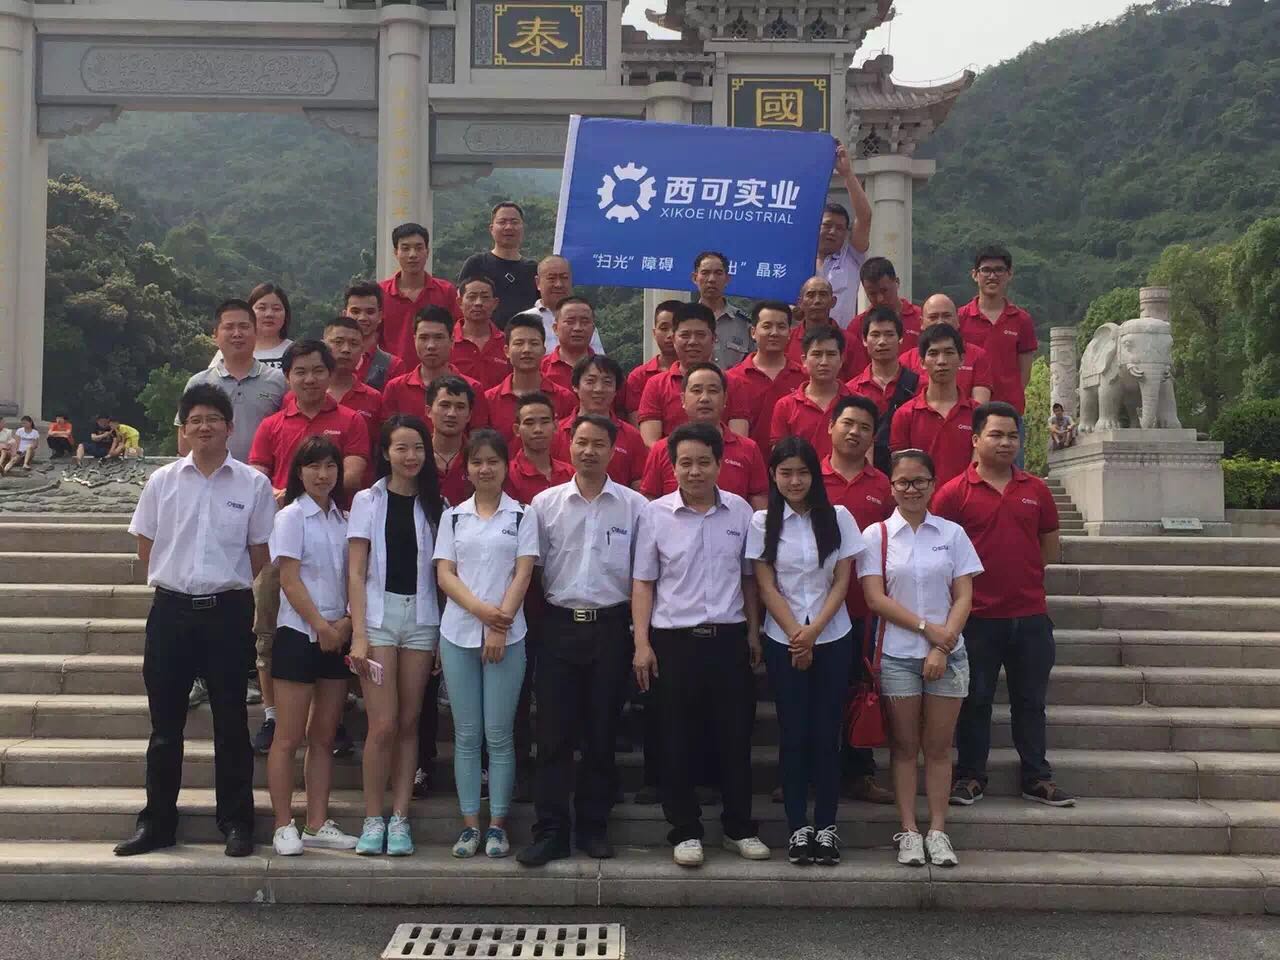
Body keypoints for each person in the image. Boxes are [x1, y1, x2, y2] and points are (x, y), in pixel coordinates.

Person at [113, 384, 275, 858]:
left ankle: (236, 822)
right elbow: (146, 546)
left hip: (228, 613)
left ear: (229, 427)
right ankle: (157, 823)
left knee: (231, 723)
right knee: (165, 726)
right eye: (195, 420)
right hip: (171, 612)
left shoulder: (252, 485)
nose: (204, 427)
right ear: (183, 430)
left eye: (213, 419)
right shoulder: (162, 481)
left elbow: (259, 553)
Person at [632, 422, 770, 868]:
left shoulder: (740, 513)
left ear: (719, 464)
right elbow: (644, 582)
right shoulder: (654, 514)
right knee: (675, 738)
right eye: (685, 463)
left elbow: (749, 580)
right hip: (673, 642)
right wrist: (641, 643)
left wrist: (753, 632)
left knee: (735, 736)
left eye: (703, 462)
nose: (694, 471)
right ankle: (685, 830)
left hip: (728, 639)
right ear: (672, 467)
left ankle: (738, 828)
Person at [516, 415, 649, 866]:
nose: (589, 451)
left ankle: (593, 827)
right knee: (553, 734)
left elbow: (642, 576)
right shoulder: (544, 504)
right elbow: (532, 570)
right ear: (568, 445)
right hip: (558, 626)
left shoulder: (634, 507)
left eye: (598, 444)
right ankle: (551, 831)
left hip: (611, 628)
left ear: (613, 450)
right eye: (581, 442)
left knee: (601, 731)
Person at [933, 402, 1073, 808]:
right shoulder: (952, 494)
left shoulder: (1036, 490)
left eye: (1013, 435)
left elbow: (1048, 547)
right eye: (996, 434)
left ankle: (1037, 777)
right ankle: (971, 776)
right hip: (976, 619)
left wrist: (1021, 578)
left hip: (1030, 617)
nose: (1006, 442)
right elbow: (940, 554)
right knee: (974, 700)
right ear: (976, 440)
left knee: (1030, 702)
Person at [859, 449, 983, 868]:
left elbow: (963, 595)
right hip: (898, 655)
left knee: (939, 747)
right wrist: (928, 630)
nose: (911, 489)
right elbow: (875, 598)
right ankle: (909, 830)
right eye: (903, 482)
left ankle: (938, 831)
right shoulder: (876, 535)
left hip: (949, 655)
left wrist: (942, 646)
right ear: (891, 487)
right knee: (904, 747)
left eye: (920, 481)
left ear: (933, 484)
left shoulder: (952, 533)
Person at [747, 436, 865, 866]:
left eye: (802, 472)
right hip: (783, 639)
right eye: (785, 473)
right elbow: (765, 585)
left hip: (833, 637)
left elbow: (842, 582)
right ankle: (798, 827)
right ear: (773, 476)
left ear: (815, 475)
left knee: (826, 734)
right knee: (793, 734)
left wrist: (813, 633)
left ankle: (827, 827)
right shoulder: (762, 522)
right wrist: (797, 634)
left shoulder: (839, 517)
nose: (794, 481)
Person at [248, 340, 369, 754]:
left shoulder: (350, 420)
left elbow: (353, 472)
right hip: (284, 534)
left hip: (333, 532)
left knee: (334, 621)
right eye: (300, 371)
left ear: (330, 373)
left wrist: (312, 488)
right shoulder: (272, 424)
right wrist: (285, 495)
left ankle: (330, 719)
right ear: (288, 376)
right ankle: (272, 714)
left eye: (318, 370)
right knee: (270, 630)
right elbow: (258, 476)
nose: (310, 379)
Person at [435, 429, 539, 858]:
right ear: (467, 468)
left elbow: (523, 573)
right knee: (466, 735)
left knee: (498, 735)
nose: (485, 469)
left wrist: (499, 627)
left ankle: (497, 825)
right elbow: (445, 574)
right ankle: (469, 826)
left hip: (508, 637)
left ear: (506, 466)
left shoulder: (522, 515)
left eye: (492, 461)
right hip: (458, 634)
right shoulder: (453, 517)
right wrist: (482, 613)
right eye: (477, 461)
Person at [347, 414, 445, 855]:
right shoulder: (367, 501)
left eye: (418, 448)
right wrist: (359, 634)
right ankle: (373, 818)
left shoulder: (436, 504)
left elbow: (442, 573)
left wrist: (441, 633)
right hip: (379, 618)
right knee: (383, 724)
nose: (411, 456)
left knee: (409, 723)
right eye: (401, 448)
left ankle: (401, 818)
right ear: (386, 452)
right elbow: (356, 571)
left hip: (422, 620)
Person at [266, 437, 359, 856]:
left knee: (323, 736)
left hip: (338, 633)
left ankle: (317, 822)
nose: (323, 475)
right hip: (299, 634)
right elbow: (289, 579)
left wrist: (345, 623)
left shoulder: (345, 519)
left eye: (330, 466)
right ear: (299, 471)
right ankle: (283, 823)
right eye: (313, 467)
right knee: (287, 737)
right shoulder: (291, 516)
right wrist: (320, 625)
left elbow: (355, 577)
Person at [821, 396, 895, 804]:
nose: (854, 432)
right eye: (847, 423)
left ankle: (859, 773)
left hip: (865, 611)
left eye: (865, 427)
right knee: (815, 696)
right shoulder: (808, 478)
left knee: (860, 692)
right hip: (813, 610)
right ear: (830, 426)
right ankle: (808, 773)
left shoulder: (883, 486)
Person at [640, 362, 768, 509]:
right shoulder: (662, 449)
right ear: (683, 399)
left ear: (725, 399)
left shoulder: (748, 449)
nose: (704, 398)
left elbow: (759, 505)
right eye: (696, 390)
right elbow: (650, 501)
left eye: (713, 391)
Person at [955, 246, 1038, 465]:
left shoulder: (1021, 320)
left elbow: (1024, 373)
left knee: (1010, 475)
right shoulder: (961, 318)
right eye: (986, 270)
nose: (992, 276)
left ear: (1009, 274)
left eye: (999, 270)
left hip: (1009, 414)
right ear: (975, 275)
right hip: (968, 414)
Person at [177, 299, 287, 463]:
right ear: (215, 335)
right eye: (229, 327)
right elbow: (185, 445)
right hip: (212, 475)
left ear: (256, 332)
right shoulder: (198, 383)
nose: (237, 333)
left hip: (264, 475)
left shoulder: (279, 381)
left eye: (244, 326)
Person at [637, 303, 748, 445]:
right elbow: (650, 442)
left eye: (700, 335)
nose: (693, 342)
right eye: (685, 335)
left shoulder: (733, 383)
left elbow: (738, 440)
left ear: (713, 338)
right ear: (673, 339)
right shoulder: (656, 385)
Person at [889, 323, 977, 491]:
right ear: (922, 362)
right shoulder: (905, 414)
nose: (941, 361)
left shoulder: (978, 414)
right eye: (933, 353)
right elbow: (900, 473)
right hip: (919, 503)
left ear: (962, 359)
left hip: (966, 502)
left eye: (949, 353)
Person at [380, 307, 490, 429]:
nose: (431, 346)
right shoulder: (395, 388)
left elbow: (478, 437)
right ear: (414, 340)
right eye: (424, 338)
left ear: (452, 340)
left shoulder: (473, 388)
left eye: (438, 337)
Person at [726, 301, 807, 457]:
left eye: (781, 327)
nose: (774, 333)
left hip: (793, 467)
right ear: (753, 332)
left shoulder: (804, 378)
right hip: (748, 464)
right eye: (767, 326)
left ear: (789, 333)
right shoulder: (732, 379)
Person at [552, 355, 647, 489]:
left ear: (616, 390)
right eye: (590, 381)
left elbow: (639, 482)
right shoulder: (556, 433)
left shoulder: (632, 436)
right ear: (575, 386)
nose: (599, 389)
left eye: (607, 382)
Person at [483, 314, 576, 447]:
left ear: (544, 350)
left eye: (534, 343)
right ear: (506, 351)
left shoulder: (565, 398)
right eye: (519, 343)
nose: (526, 350)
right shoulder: (489, 400)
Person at [379, 223, 462, 368]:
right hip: (391, 375)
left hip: (438, 374)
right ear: (396, 252)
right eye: (405, 248)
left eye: (418, 248)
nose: (412, 255)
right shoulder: (380, 293)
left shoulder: (446, 291)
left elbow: (458, 334)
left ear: (427, 252)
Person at [848, 305, 919, 474]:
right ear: (864, 340)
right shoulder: (851, 390)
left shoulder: (920, 385)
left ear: (900, 338)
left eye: (889, 334)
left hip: (912, 474)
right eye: (875, 335)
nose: (882, 341)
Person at [770, 326, 852, 459]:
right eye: (817, 354)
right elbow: (780, 459)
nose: (824, 362)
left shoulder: (857, 403)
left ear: (841, 359)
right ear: (804, 361)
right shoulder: (785, 406)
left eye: (831, 354)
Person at [817, 143, 873, 332]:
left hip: (842, 341)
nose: (833, 232)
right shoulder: (797, 258)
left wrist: (847, 174)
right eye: (827, 225)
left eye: (840, 228)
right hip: (805, 342)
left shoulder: (851, 257)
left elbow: (865, 217)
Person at [901, 295, 992, 405]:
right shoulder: (906, 360)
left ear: (957, 320)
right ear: (921, 323)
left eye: (946, 316)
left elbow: (980, 406)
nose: (940, 322)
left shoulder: (978, 355)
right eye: (933, 317)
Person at [460, 202, 539, 328]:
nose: (508, 227)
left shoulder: (533, 269)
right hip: (485, 336)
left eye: (514, 222)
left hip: (524, 337)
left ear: (522, 227)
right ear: (491, 229)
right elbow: (462, 303)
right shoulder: (476, 264)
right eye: (502, 222)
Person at [510, 255, 605, 355]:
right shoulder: (523, 320)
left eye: (564, 278)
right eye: (551, 278)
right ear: (538, 282)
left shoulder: (583, 322)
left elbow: (597, 361)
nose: (558, 284)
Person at [324, 316, 384, 473]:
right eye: (338, 342)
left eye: (354, 344)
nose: (346, 349)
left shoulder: (374, 398)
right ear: (324, 345)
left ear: (362, 350)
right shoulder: (302, 395)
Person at [786, 276, 863, 381]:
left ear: (833, 301)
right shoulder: (787, 340)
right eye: (811, 295)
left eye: (823, 294)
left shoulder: (850, 342)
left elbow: (858, 383)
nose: (817, 301)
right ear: (800, 303)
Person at [504, 394, 573, 504]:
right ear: (516, 430)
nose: (538, 429)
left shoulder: (570, 473)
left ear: (555, 426)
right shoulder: (507, 475)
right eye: (529, 423)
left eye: (545, 422)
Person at [210, 282, 294, 371]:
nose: (269, 314)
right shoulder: (229, 352)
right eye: (262, 308)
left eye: (276, 309)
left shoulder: (295, 352)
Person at [691, 251, 752, 370]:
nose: (711, 279)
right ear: (695, 278)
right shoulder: (685, 320)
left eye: (718, 273)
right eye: (705, 273)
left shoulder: (744, 324)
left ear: (727, 279)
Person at [452, 275, 512, 391]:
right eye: (472, 297)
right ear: (460, 302)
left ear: (495, 303)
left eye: (485, 297)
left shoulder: (508, 342)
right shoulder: (446, 342)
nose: (478, 303)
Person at [852, 258, 923, 355]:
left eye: (884, 291)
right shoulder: (857, 326)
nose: (880, 299)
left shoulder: (921, 318)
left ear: (897, 282)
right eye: (872, 294)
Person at [624, 300, 680, 420]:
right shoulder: (638, 376)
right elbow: (636, 421)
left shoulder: (700, 374)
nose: (670, 334)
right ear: (654, 333)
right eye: (664, 328)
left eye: (676, 328)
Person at [345, 281, 406, 391]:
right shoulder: (329, 360)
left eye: (370, 312)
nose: (362, 318)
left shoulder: (393, 366)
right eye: (355, 312)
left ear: (380, 316)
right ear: (344, 315)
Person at [427, 375, 476, 508]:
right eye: (445, 405)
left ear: (469, 415)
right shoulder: (416, 456)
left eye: (460, 407)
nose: (452, 414)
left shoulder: (479, 457)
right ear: (428, 411)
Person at [540, 297, 602, 394]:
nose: (577, 328)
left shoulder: (608, 371)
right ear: (555, 328)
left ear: (593, 329)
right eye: (570, 322)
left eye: (585, 322)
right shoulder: (539, 369)